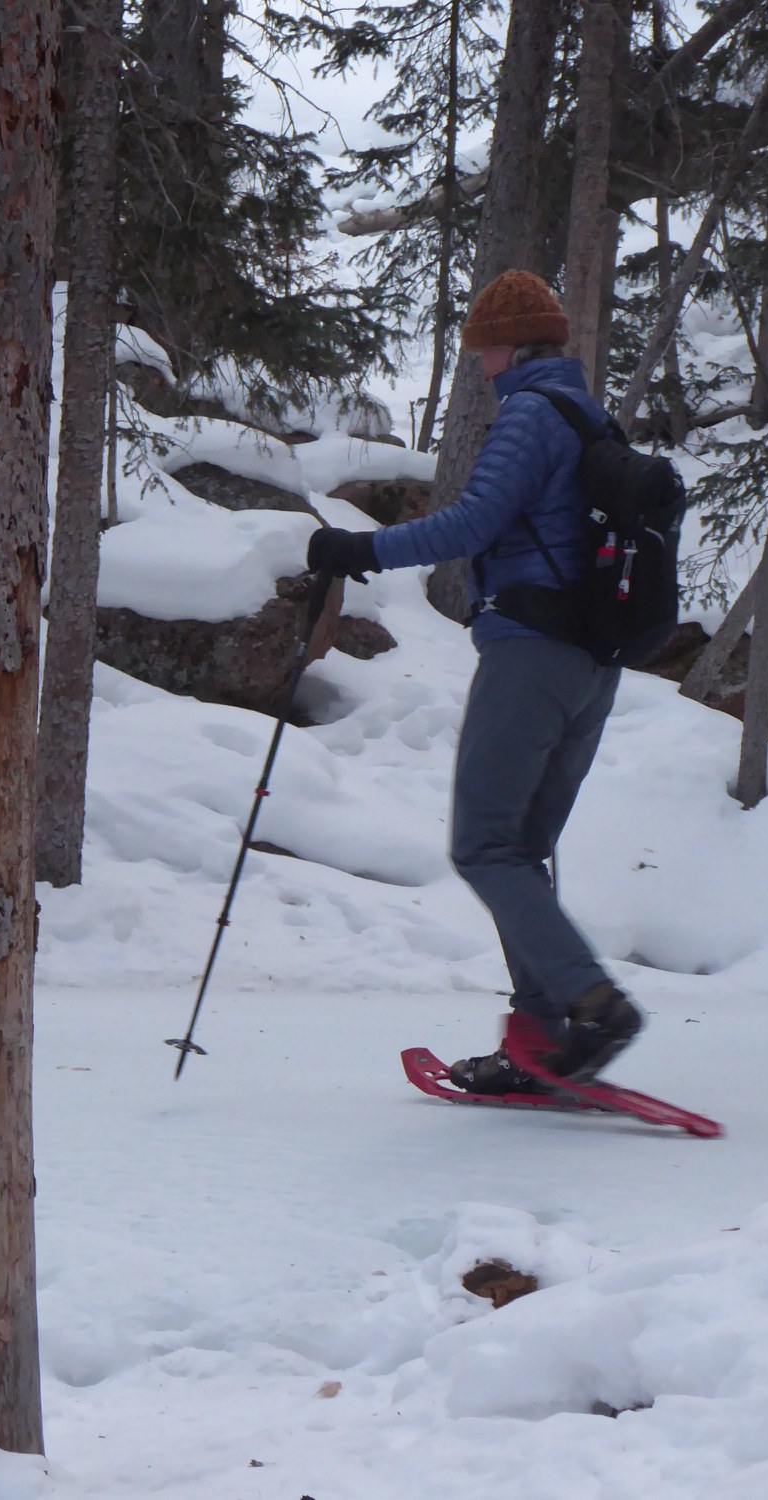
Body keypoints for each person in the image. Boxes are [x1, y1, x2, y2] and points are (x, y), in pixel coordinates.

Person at [306, 271, 643, 1093]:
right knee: (521, 850)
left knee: (485, 845)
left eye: (482, 349)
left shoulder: (530, 414)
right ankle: (540, 1042)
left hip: (533, 652)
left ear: (510, 344)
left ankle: (594, 1004)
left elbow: (472, 524)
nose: (480, 366)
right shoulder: (587, 413)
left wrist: (360, 549)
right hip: (593, 665)